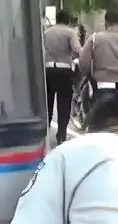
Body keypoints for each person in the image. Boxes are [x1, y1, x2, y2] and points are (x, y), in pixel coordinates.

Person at [44, 9, 81, 144]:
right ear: (68, 20)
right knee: (63, 105)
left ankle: (45, 135)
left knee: (47, 104)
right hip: (64, 71)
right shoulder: (70, 32)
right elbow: (77, 50)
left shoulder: (47, 32)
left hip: (47, 70)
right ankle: (61, 136)